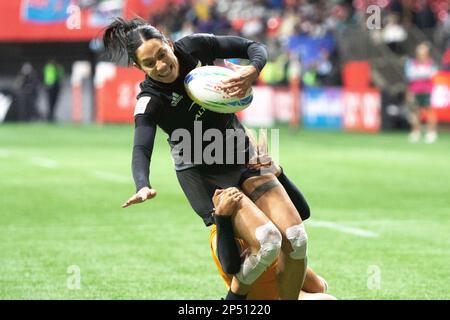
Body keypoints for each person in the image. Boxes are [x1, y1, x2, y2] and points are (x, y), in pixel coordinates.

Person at [103, 17, 308, 300]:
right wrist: (142, 183)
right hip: (204, 175)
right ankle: (232, 302)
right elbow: (141, 147)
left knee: (297, 237)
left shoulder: (196, 48)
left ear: (169, 43)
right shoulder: (149, 100)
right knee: (268, 241)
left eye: (162, 54)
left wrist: (253, 70)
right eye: (150, 63)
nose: (161, 65)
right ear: (140, 68)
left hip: (240, 152)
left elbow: (253, 47)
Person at [404, 42, 438, 143]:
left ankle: (431, 133)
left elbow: (432, 76)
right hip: (415, 91)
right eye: (419, 52)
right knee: (415, 111)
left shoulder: (431, 63)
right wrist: (409, 92)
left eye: (423, 52)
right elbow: (409, 78)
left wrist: (421, 76)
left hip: (427, 91)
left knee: (429, 111)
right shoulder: (411, 64)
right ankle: (416, 132)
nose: (421, 54)